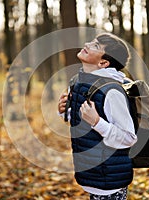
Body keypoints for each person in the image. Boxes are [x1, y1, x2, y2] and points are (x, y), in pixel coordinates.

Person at [58, 32, 137, 200]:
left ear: (103, 62)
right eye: (92, 42)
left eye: (95, 46)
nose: (87, 44)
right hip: (91, 174)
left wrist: (97, 121)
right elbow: (80, 123)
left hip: (109, 180)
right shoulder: (78, 82)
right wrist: (64, 111)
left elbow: (128, 137)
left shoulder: (112, 91)